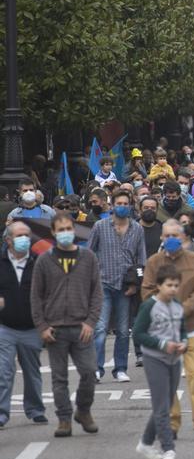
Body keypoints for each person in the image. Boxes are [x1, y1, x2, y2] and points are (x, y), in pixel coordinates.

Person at [31, 213, 103, 438]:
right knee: (59, 378)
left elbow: (97, 294)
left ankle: (83, 411)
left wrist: (91, 322)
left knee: (89, 372)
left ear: (74, 230)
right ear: (53, 233)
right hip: (55, 330)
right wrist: (42, 326)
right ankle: (64, 419)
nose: (64, 233)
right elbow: (36, 296)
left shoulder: (88, 257)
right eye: (60, 229)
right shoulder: (44, 260)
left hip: (81, 328)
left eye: (68, 228)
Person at [142, 219, 194, 440]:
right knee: (169, 380)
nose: (171, 239)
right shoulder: (153, 262)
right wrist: (168, 311)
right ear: (161, 238)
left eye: (175, 236)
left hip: (192, 327)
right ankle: (172, 424)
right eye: (167, 236)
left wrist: (181, 310)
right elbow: (147, 291)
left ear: (183, 238)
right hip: (164, 331)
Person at [88, 188, 145, 384]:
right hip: (103, 283)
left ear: (130, 206)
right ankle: (96, 369)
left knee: (122, 330)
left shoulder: (138, 229)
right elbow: (89, 252)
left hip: (125, 286)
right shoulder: (100, 226)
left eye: (125, 204)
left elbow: (141, 259)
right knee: (101, 328)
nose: (122, 207)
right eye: (118, 204)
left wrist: (136, 285)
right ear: (112, 205)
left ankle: (120, 368)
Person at [132, 264, 187, 459]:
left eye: (176, 285)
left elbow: (182, 330)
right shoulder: (149, 306)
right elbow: (138, 334)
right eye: (169, 285)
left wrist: (184, 343)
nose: (173, 289)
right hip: (155, 359)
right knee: (162, 406)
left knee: (164, 403)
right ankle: (168, 448)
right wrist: (163, 344)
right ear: (158, 286)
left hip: (174, 360)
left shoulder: (178, 305)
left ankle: (146, 443)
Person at [0, 221, 47, 428]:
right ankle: (2, 413)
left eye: (27, 235)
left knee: (32, 370)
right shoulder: (0, 263)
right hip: (5, 327)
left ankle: (35, 410)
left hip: (31, 327)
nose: (24, 240)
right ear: (8, 240)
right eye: (19, 236)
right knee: (4, 371)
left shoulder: (38, 262)